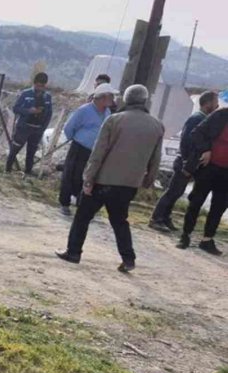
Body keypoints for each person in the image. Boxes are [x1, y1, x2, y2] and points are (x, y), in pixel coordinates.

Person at [56, 85, 163, 273]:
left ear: (127, 99)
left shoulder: (114, 120)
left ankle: (73, 252)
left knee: (82, 216)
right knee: (120, 220)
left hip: (103, 180)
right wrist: (148, 180)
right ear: (144, 101)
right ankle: (128, 259)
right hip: (130, 183)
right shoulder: (156, 125)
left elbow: (98, 152)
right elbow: (156, 158)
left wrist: (88, 178)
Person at [149, 90, 219, 232]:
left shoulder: (203, 119)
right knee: (173, 191)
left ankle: (165, 217)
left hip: (191, 163)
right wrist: (187, 163)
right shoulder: (196, 119)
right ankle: (156, 218)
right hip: (185, 163)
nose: (217, 106)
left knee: (178, 192)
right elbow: (187, 142)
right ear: (208, 103)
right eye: (215, 102)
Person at [58, 83, 118, 216]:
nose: (113, 99)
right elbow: (69, 127)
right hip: (79, 147)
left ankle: (81, 203)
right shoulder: (84, 110)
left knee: (87, 177)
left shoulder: (107, 112)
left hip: (95, 151)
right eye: (111, 96)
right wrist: (76, 139)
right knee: (70, 175)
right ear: (103, 97)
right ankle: (64, 203)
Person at [177, 106, 228, 255]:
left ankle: (207, 239)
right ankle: (185, 235)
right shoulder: (221, 115)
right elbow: (197, 133)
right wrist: (205, 149)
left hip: (226, 173)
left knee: (219, 206)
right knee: (196, 201)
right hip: (208, 166)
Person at [5, 72, 53, 175]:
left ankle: (27, 172)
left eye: (42, 86)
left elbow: (49, 114)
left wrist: (43, 128)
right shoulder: (26, 94)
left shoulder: (47, 97)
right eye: (38, 86)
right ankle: (7, 169)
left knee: (31, 152)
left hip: (37, 129)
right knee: (15, 148)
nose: (40, 88)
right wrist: (29, 111)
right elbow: (16, 108)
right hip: (24, 127)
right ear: (34, 83)